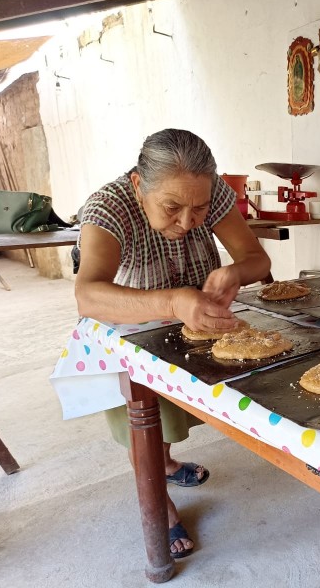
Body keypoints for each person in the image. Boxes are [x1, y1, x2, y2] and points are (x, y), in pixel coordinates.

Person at [74, 128, 271, 559]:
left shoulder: (211, 192)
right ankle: (157, 505)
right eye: (171, 208)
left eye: (198, 208)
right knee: (147, 421)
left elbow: (258, 259)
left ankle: (164, 464)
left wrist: (236, 273)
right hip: (130, 333)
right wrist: (171, 299)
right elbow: (87, 295)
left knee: (184, 414)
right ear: (138, 186)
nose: (186, 222)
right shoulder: (108, 207)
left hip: (193, 324)